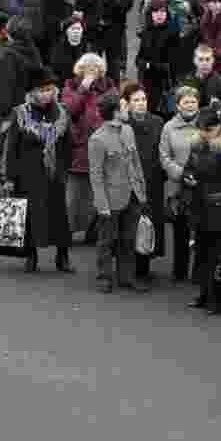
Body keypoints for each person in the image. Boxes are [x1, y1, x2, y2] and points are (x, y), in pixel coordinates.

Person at [2, 69, 74, 274]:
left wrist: (64, 168)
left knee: (59, 216)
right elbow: (12, 148)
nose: (46, 94)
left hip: (54, 173)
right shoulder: (21, 114)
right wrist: (10, 177)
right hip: (29, 173)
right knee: (31, 216)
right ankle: (31, 256)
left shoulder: (61, 112)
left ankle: (63, 256)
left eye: (49, 90)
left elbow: (68, 144)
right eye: (41, 90)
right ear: (33, 92)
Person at [182, 104, 221, 315]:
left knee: (218, 257)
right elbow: (189, 167)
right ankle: (203, 294)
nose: (203, 134)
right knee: (201, 254)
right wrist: (187, 177)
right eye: (201, 130)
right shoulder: (198, 142)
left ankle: (217, 301)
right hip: (200, 205)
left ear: (218, 127)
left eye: (207, 130)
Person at [89, 92, 149, 293]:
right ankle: (104, 277)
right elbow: (96, 175)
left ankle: (126, 278)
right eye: (124, 107)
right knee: (107, 240)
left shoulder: (128, 130)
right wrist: (101, 204)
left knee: (128, 238)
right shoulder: (97, 139)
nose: (128, 110)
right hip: (111, 198)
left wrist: (142, 190)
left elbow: (135, 161)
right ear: (115, 112)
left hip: (132, 194)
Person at [62, 53, 117, 245]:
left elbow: (114, 111)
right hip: (79, 146)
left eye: (95, 67)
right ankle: (66, 231)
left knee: (99, 194)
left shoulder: (109, 87)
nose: (92, 71)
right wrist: (83, 88)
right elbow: (69, 109)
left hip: (102, 145)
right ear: (81, 69)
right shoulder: (71, 86)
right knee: (74, 195)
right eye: (88, 67)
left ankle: (94, 232)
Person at [121, 82, 167, 272]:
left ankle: (144, 263)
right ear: (127, 103)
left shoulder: (157, 121)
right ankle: (127, 264)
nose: (141, 103)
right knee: (129, 222)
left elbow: (163, 149)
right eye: (136, 100)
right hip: (129, 181)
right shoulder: (123, 122)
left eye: (143, 99)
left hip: (152, 180)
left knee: (150, 221)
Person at [160, 86, 201, 282]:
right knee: (180, 229)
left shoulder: (206, 124)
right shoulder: (168, 127)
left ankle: (200, 273)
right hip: (178, 184)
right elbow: (164, 156)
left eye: (193, 101)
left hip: (201, 183)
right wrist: (180, 173)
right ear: (177, 105)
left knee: (202, 228)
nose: (190, 105)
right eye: (186, 102)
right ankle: (179, 271)